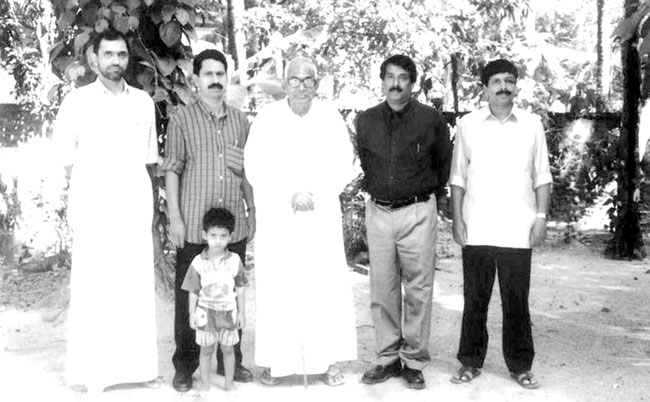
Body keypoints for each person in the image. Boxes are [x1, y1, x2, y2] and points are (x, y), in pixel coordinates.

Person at [53, 29, 159, 392]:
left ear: (129, 60)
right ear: (93, 59)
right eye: (108, 54)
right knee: (95, 288)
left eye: (122, 55)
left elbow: (149, 161)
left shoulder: (143, 102)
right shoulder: (77, 103)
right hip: (94, 208)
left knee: (133, 286)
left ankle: (137, 370)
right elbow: (66, 160)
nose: (116, 61)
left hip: (133, 206)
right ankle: (93, 374)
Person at [244, 57, 358, 386]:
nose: (302, 86)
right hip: (278, 217)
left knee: (324, 286)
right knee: (279, 286)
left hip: (320, 216)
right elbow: (256, 166)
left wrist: (314, 193)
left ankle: (328, 361)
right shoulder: (267, 118)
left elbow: (342, 163)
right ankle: (275, 363)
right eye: (296, 80)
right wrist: (289, 193)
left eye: (309, 80)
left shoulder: (330, 117)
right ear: (284, 82)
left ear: (317, 83)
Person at [448, 59, 552, 390]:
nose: (503, 87)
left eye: (509, 81)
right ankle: (469, 361)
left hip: (518, 228)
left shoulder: (532, 125)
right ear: (485, 87)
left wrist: (541, 217)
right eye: (496, 81)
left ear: (516, 85)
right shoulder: (468, 125)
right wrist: (457, 219)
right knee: (475, 300)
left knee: (516, 301)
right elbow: (458, 177)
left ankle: (521, 365)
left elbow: (542, 175)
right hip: (477, 225)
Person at [356, 54, 452, 390]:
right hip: (379, 213)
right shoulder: (365, 120)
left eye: (403, 78)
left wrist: (431, 202)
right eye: (390, 77)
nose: (396, 84)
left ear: (413, 83)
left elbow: (443, 164)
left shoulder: (431, 120)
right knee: (382, 289)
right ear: (381, 80)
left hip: (417, 212)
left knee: (418, 289)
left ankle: (413, 360)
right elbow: (367, 164)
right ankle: (386, 358)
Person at [162, 49, 255, 392]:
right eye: (208, 74)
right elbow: (171, 170)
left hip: (232, 228)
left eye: (220, 74)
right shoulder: (181, 119)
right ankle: (185, 365)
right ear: (195, 79)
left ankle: (231, 358)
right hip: (193, 224)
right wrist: (174, 218)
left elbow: (248, 172)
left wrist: (252, 210)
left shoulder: (241, 120)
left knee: (230, 293)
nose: (215, 81)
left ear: (227, 78)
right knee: (194, 296)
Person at [181, 208, 247, 394]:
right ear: (204, 235)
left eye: (223, 235)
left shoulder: (235, 261)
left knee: (228, 350)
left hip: (228, 313)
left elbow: (241, 288)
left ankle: (229, 384)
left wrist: (242, 312)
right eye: (213, 235)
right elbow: (193, 291)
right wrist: (192, 314)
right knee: (206, 350)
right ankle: (205, 384)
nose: (218, 240)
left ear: (230, 237)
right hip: (205, 314)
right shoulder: (197, 262)